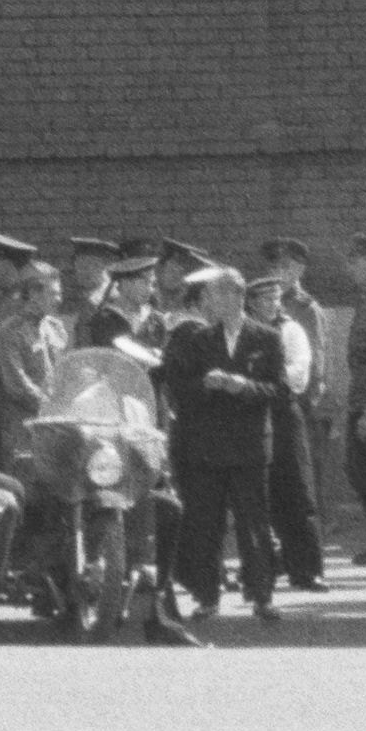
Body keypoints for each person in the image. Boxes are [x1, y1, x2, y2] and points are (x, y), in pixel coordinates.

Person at [156, 263, 290, 624]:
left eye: (213, 294)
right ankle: (207, 596)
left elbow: (279, 391)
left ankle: (262, 596)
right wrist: (206, 385)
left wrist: (243, 387)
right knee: (206, 524)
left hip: (248, 446)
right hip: (208, 446)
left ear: (235, 296)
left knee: (254, 525)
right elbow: (178, 388)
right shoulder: (198, 340)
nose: (207, 302)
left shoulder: (267, 338)